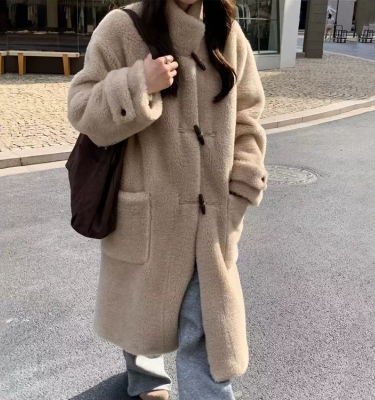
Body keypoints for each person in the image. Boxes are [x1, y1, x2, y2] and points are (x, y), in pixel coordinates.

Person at [67, 0, 268, 398]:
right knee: (143, 309)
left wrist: (243, 185)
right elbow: (82, 109)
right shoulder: (121, 28)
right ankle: (146, 375)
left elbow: (247, 115)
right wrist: (137, 84)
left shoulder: (228, 33)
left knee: (207, 328)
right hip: (149, 214)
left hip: (213, 218)